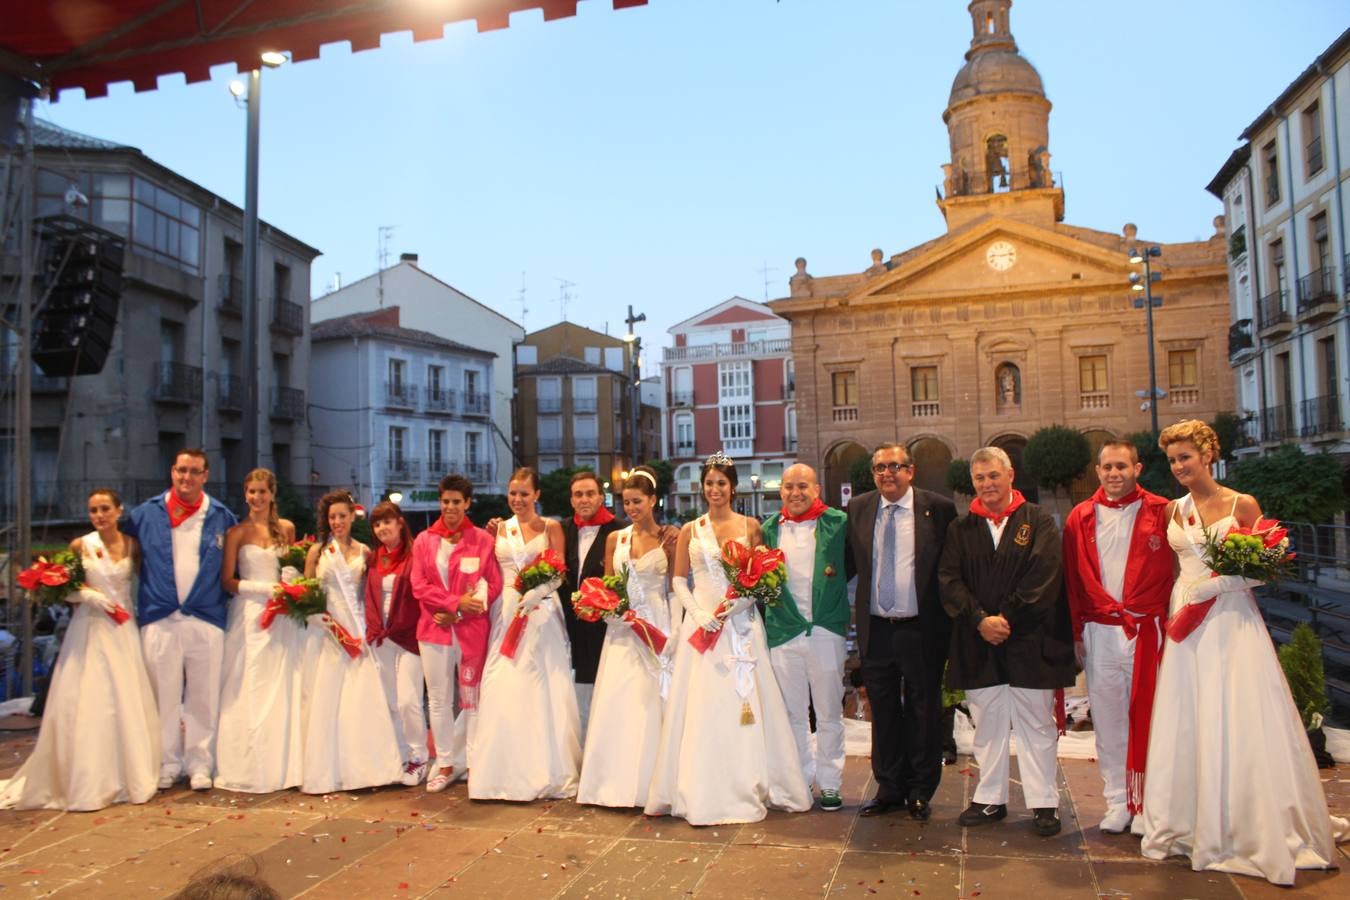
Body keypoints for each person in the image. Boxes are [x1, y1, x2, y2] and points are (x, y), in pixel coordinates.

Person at [1141, 420, 1348, 885]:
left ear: (1207, 454)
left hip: (1230, 619)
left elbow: (1267, 566)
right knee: (1190, 714)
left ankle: (1249, 826)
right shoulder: (1173, 511)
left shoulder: (1242, 503)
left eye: (1186, 457)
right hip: (1186, 620)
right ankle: (1191, 821)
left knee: (1239, 713)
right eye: (1172, 460)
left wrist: (1219, 583)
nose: (1178, 467)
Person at [645, 451, 812, 825]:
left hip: (738, 624)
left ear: (732, 487)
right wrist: (698, 612)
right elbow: (677, 580)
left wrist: (737, 605)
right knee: (703, 705)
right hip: (701, 625)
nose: (715, 489)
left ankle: (747, 781)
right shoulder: (691, 529)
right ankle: (699, 786)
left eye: (721, 483)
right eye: (709, 484)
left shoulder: (750, 526)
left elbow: (761, 575)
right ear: (702, 488)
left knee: (744, 705)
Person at [940, 447, 1074, 837]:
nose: (987, 484)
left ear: (1010, 475)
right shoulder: (960, 529)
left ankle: (1044, 802)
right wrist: (980, 620)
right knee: (988, 725)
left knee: (1037, 725)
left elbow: (1043, 577)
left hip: (1031, 639)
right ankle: (989, 799)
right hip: (978, 640)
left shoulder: (1039, 522)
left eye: (993, 476)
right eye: (979, 478)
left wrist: (1006, 618)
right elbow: (949, 582)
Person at [0, 488, 159, 810]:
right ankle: (86, 776)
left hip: (123, 628)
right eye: (93, 510)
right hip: (90, 628)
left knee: (125, 699)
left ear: (118, 510)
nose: (99, 515)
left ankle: (126, 773)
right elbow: (61, 589)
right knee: (90, 698)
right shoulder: (80, 545)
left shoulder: (132, 545)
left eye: (104, 509)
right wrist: (88, 596)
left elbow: (144, 584)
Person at [1061, 441, 1171, 834]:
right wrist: (1076, 634)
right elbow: (1072, 583)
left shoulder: (1162, 511)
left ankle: (1149, 803)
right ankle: (1117, 801)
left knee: (1152, 717)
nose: (1113, 473)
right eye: (1107, 466)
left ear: (1137, 469)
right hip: (1100, 631)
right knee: (1107, 722)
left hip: (1147, 631)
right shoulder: (1080, 517)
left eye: (1121, 466)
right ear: (1097, 470)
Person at [848, 444, 956, 821]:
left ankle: (920, 790)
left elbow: (950, 569)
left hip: (921, 628)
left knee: (924, 711)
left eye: (894, 466)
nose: (886, 473)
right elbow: (848, 563)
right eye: (879, 467)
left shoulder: (938, 509)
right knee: (885, 712)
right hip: (877, 628)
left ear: (911, 471)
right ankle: (889, 787)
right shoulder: (860, 508)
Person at [124, 448, 237, 791]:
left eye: (194, 471)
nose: (186, 477)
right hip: (159, 617)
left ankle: (200, 764)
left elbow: (235, 568)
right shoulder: (144, 515)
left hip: (206, 617)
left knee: (204, 696)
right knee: (163, 697)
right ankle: (166, 762)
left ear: (205, 475)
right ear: (172, 472)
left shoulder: (222, 516)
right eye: (180, 470)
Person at [471, 467, 580, 800]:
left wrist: (540, 591)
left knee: (543, 684)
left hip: (542, 610)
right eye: (513, 493)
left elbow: (560, 572)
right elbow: (487, 572)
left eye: (524, 493)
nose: (517, 499)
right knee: (503, 682)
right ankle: (502, 769)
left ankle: (546, 768)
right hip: (507, 610)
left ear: (537, 495)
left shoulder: (551, 527)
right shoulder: (498, 529)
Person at [577, 466, 680, 808]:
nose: (631, 508)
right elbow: (609, 585)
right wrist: (611, 609)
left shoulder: (670, 538)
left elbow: (675, 587)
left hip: (656, 624)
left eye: (637, 501)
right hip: (622, 630)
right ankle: (612, 783)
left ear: (653, 500)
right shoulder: (615, 539)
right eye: (626, 502)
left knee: (653, 702)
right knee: (619, 700)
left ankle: (656, 782)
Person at [762, 463, 854, 812]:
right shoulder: (770, 529)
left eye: (803, 486)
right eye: (788, 487)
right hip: (785, 631)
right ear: (780, 491)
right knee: (792, 715)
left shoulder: (837, 523)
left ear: (817, 489)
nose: (795, 493)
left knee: (830, 711)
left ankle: (830, 783)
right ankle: (799, 781)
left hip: (826, 631)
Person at [299, 491, 402, 793]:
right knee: (327, 699)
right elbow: (307, 592)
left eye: (342, 516)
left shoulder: (365, 552)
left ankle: (367, 768)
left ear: (352, 517)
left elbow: (368, 594)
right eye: (332, 517)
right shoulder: (317, 552)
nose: (337, 522)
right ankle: (327, 769)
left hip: (356, 631)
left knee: (361, 698)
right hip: (326, 631)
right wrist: (316, 616)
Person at [411, 474, 502, 793]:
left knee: (471, 698)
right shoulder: (424, 539)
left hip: (471, 628)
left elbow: (494, 583)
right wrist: (451, 603)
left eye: (456, 502)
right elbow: (418, 585)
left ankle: (475, 762)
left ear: (467, 503)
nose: (450, 507)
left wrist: (462, 609)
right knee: (437, 698)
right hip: (434, 628)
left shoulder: (482, 539)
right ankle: (445, 762)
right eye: (445, 501)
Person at [215, 468, 303, 793]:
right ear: (245, 494)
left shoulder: (287, 529)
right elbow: (227, 581)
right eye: (251, 491)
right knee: (250, 681)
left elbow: (292, 567)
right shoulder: (236, 533)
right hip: (250, 613)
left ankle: (282, 760)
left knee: (283, 683)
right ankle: (248, 760)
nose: (257, 497)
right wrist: (264, 589)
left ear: (272, 493)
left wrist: (290, 587)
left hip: (281, 614)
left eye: (262, 491)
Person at [364, 501, 427, 787]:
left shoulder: (416, 554)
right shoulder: (374, 558)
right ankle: (399, 754)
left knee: (408, 700)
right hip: (381, 638)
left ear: (400, 522)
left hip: (410, 637)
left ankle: (419, 756)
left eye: (387, 522)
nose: (382, 528)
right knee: (389, 701)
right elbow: (368, 597)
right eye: (377, 524)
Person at [560, 470, 621, 735]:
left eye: (589, 494)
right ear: (571, 500)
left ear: (601, 497)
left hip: (604, 627)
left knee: (604, 688)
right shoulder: (561, 529)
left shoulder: (619, 530)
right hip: (567, 625)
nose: (584, 499)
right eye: (578, 494)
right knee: (571, 690)